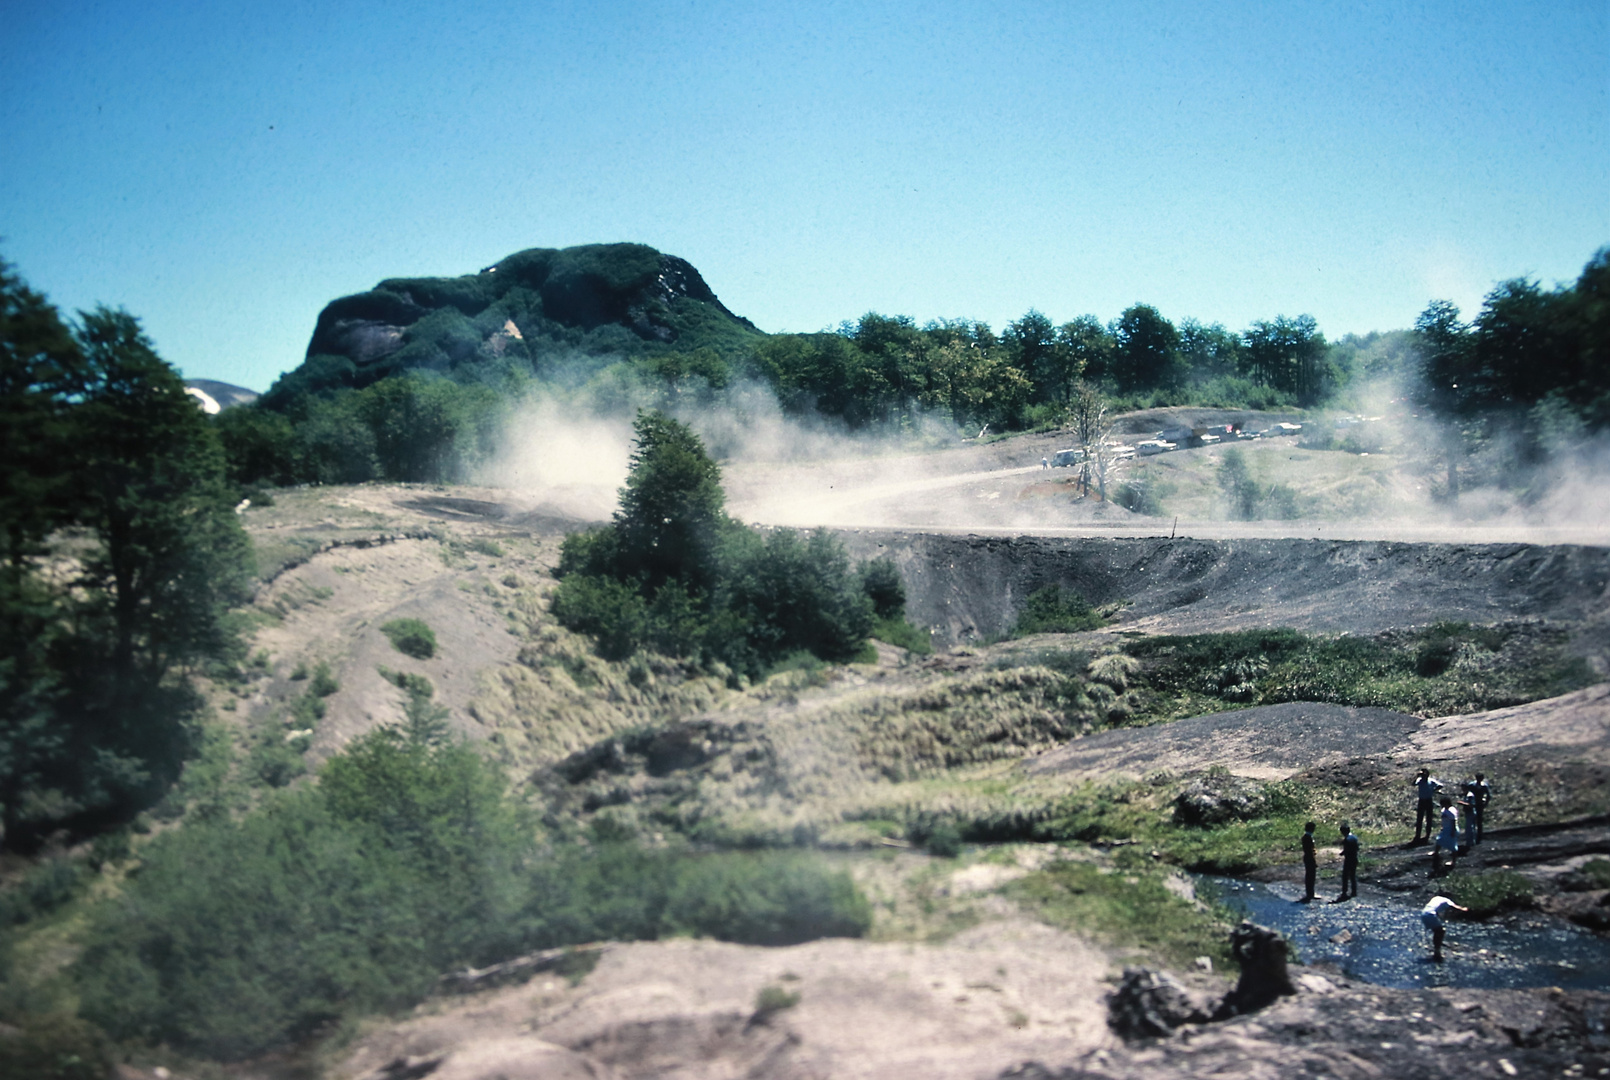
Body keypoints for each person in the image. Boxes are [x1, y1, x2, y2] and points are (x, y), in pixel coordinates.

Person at [1421, 894, 1470, 961]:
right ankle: (1437, 951)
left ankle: (1436, 947)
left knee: (1437, 931)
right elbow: (1454, 907)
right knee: (1441, 931)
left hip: (1423, 914)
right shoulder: (1447, 900)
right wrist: (1464, 909)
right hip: (1431, 914)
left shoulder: (1436, 898)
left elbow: (1435, 908)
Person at [1434, 795, 1463, 872]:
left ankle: (1453, 862)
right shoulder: (1444, 810)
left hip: (1451, 829)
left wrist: (1453, 831)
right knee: (1439, 840)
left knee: (1453, 845)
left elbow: (1453, 821)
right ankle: (1436, 853)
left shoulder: (1451, 811)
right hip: (1446, 828)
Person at [1412, 768, 1442, 842]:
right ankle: (1417, 835)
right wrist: (1416, 776)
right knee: (1419, 818)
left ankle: (1427, 835)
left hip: (1429, 800)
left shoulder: (1431, 781)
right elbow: (1413, 784)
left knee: (1429, 818)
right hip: (1421, 800)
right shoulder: (1419, 780)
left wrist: (1434, 790)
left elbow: (1440, 785)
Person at [1335, 822, 1359, 901]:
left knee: (1345, 876)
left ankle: (1344, 892)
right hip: (1355, 858)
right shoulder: (1354, 837)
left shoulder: (1347, 839)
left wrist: (1342, 853)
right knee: (1353, 876)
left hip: (1348, 860)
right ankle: (1354, 892)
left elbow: (1346, 850)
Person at [1467, 772, 1491, 843]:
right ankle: (1472, 836)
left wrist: (1485, 803)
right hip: (1472, 803)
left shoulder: (1484, 786)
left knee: (1479, 820)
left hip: (1480, 804)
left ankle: (1479, 837)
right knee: (1472, 820)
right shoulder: (1471, 785)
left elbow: (1488, 795)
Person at [1299, 821, 1318, 902]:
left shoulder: (1306, 836)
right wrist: (1314, 860)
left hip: (1307, 857)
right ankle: (1310, 893)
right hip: (1309, 858)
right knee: (1311, 876)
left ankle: (1310, 893)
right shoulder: (1308, 837)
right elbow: (1310, 851)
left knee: (1309, 876)